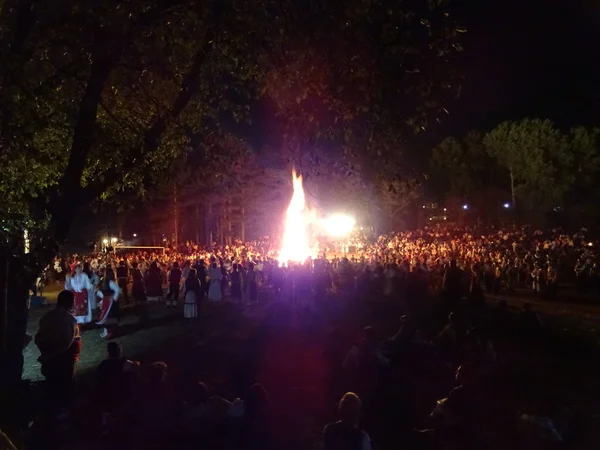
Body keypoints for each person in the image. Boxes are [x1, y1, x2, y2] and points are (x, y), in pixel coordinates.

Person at [34, 290, 82, 415]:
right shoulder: (69, 320)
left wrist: (46, 354)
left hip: (51, 360)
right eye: (73, 301)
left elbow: (38, 338)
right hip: (63, 362)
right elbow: (65, 343)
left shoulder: (47, 317)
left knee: (53, 386)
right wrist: (53, 355)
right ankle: (63, 414)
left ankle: (54, 411)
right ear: (70, 302)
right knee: (64, 388)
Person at [96, 268, 121, 339]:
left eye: (104, 272)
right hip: (105, 302)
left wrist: (113, 298)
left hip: (110, 303)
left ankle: (110, 332)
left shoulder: (110, 282)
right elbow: (101, 291)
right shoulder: (103, 281)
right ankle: (106, 331)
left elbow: (118, 290)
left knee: (110, 317)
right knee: (105, 316)